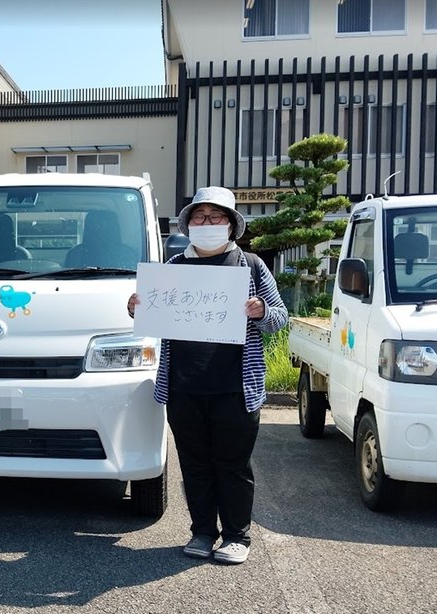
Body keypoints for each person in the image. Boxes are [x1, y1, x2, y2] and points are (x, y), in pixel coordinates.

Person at [127, 186, 288, 565]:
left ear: (231, 225)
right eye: (200, 217)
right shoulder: (173, 267)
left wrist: (262, 311)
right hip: (183, 386)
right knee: (194, 463)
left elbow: (280, 318)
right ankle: (201, 532)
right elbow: (151, 314)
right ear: (189, 225)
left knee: (233, 464)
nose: (208, 223)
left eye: (217, 217)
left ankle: (236, 536)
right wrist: (136, 307)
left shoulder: (250, 265)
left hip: (236, 387)